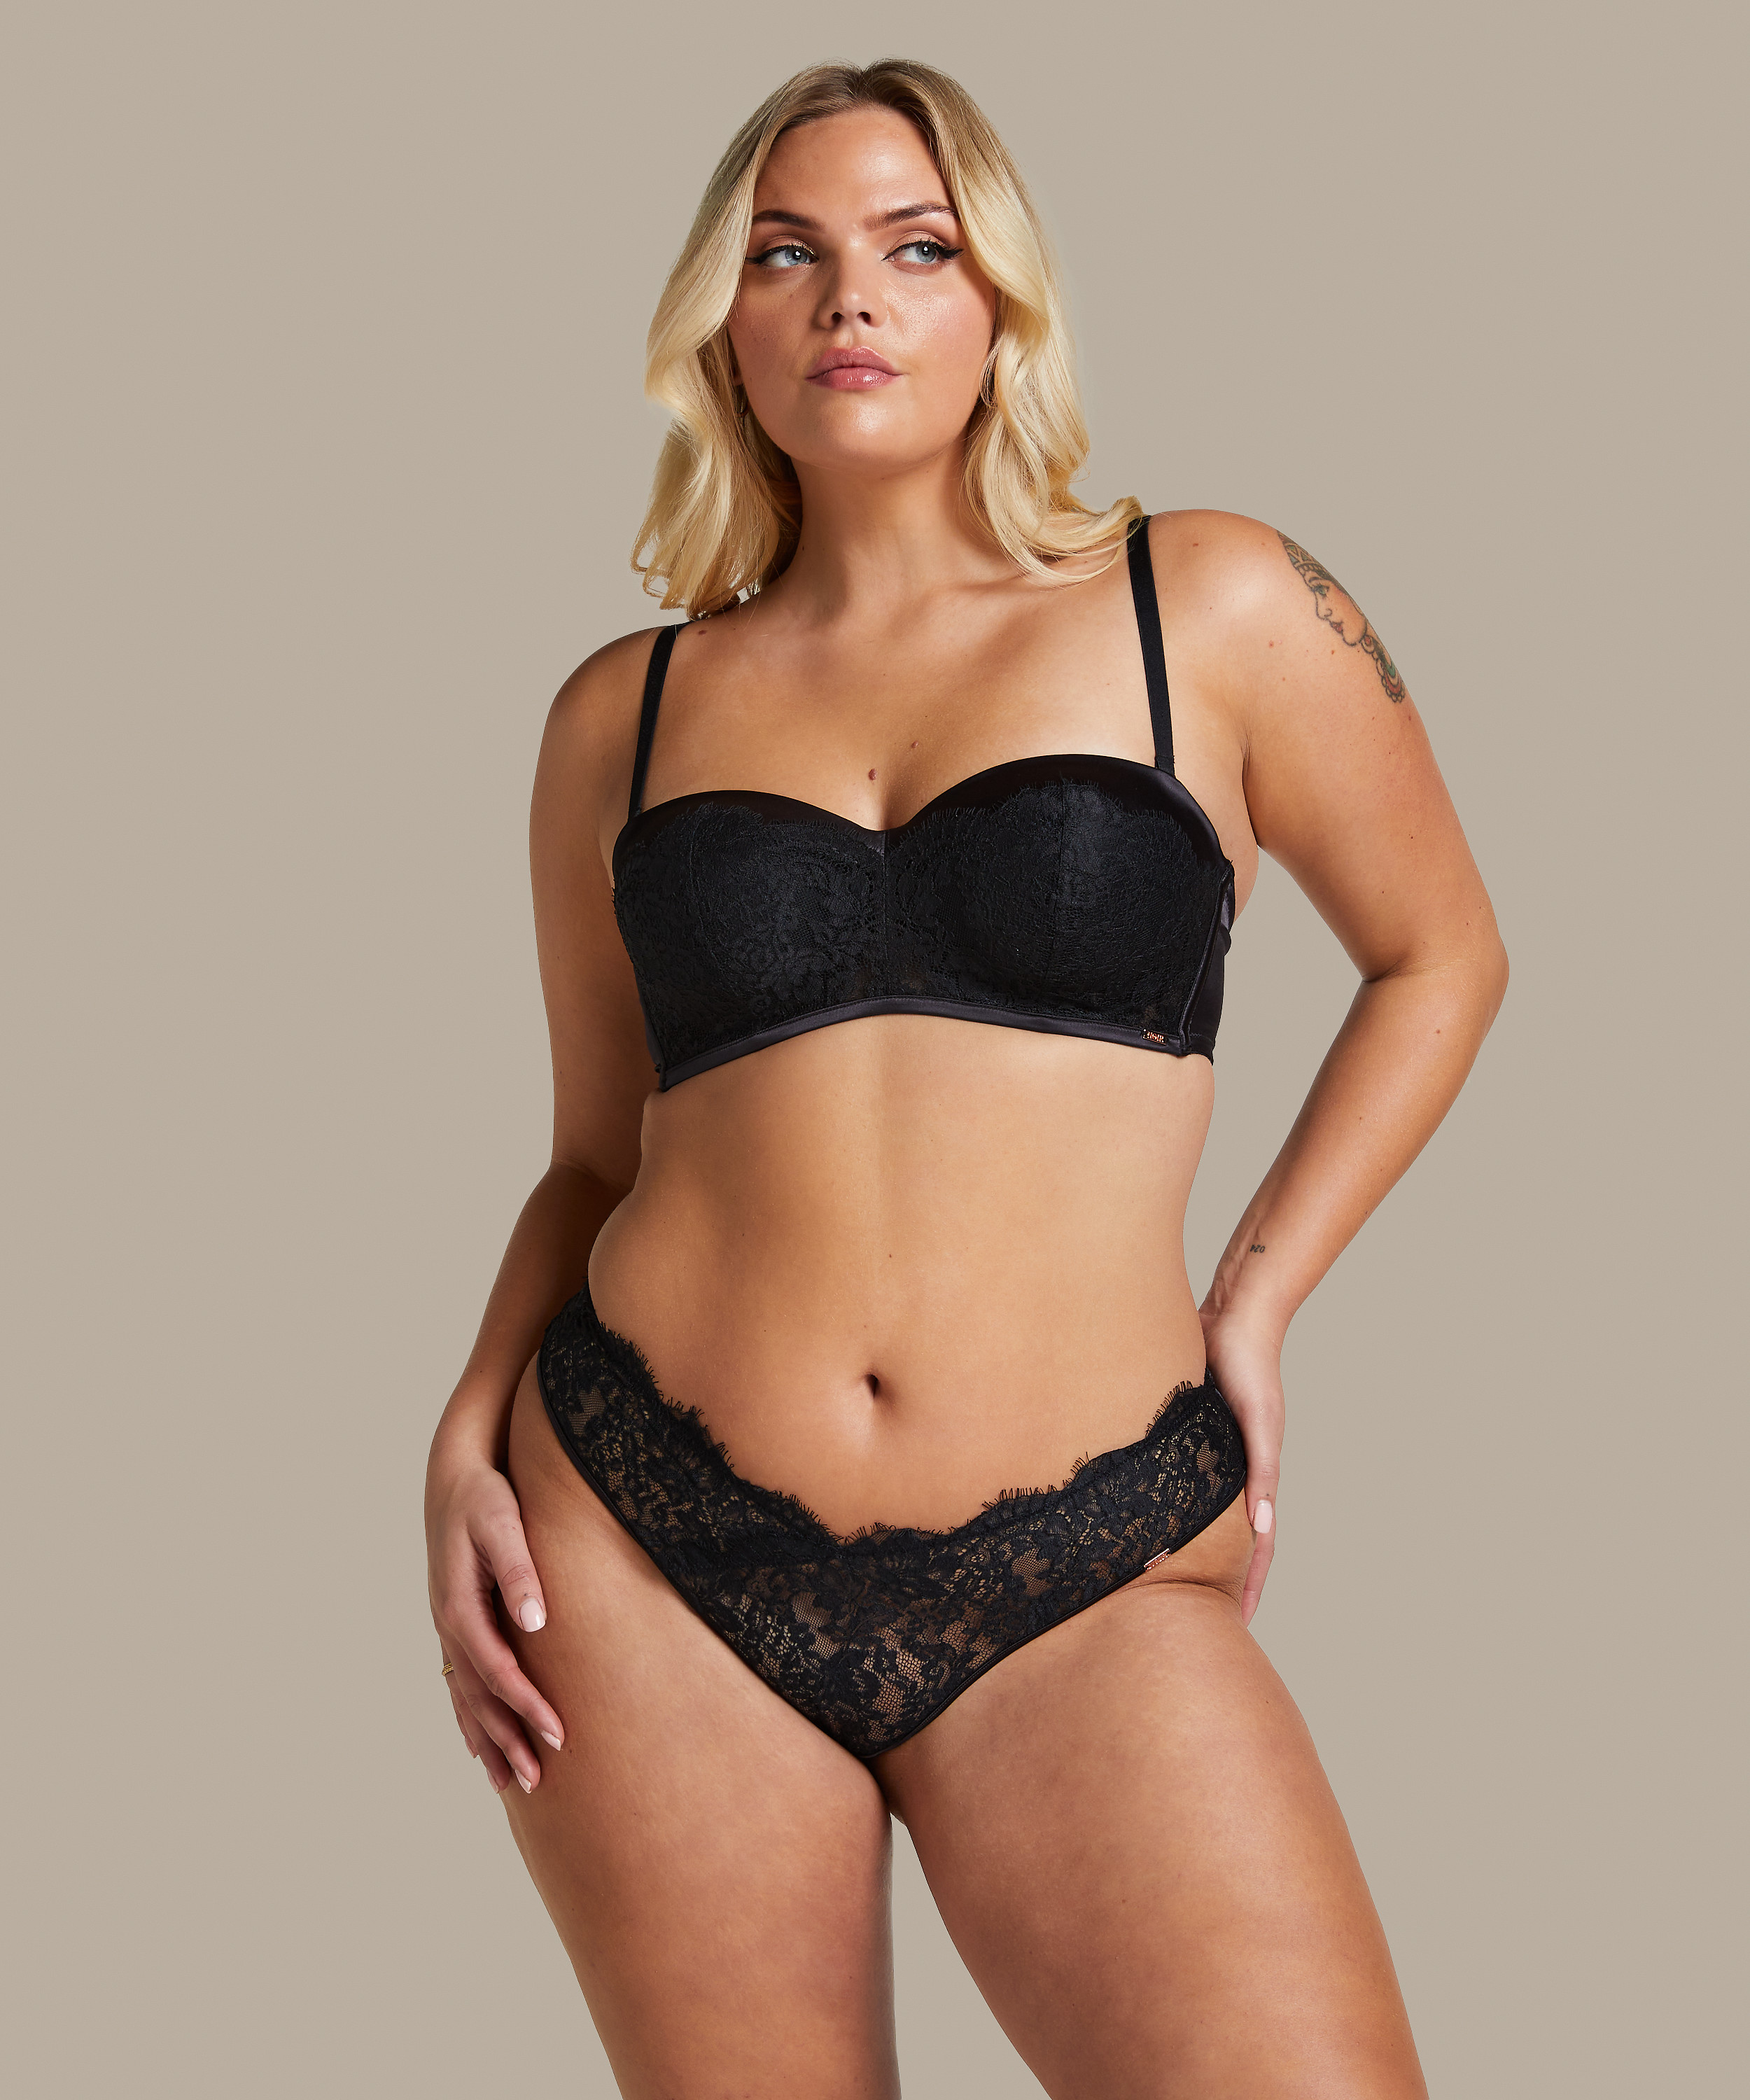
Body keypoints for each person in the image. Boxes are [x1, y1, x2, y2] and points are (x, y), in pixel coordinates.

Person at [424, 57, 1506, 2099]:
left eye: (915, 249)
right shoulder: (618, 716)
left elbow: (1442, 955)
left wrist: (1258, 1297)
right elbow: (590, 1156)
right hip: (646, 1547)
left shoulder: (1210, 603)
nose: (851, 297)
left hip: (1085, 1556)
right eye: (786, 256)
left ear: (999, 300)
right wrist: (463, 1434)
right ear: (724, 328)